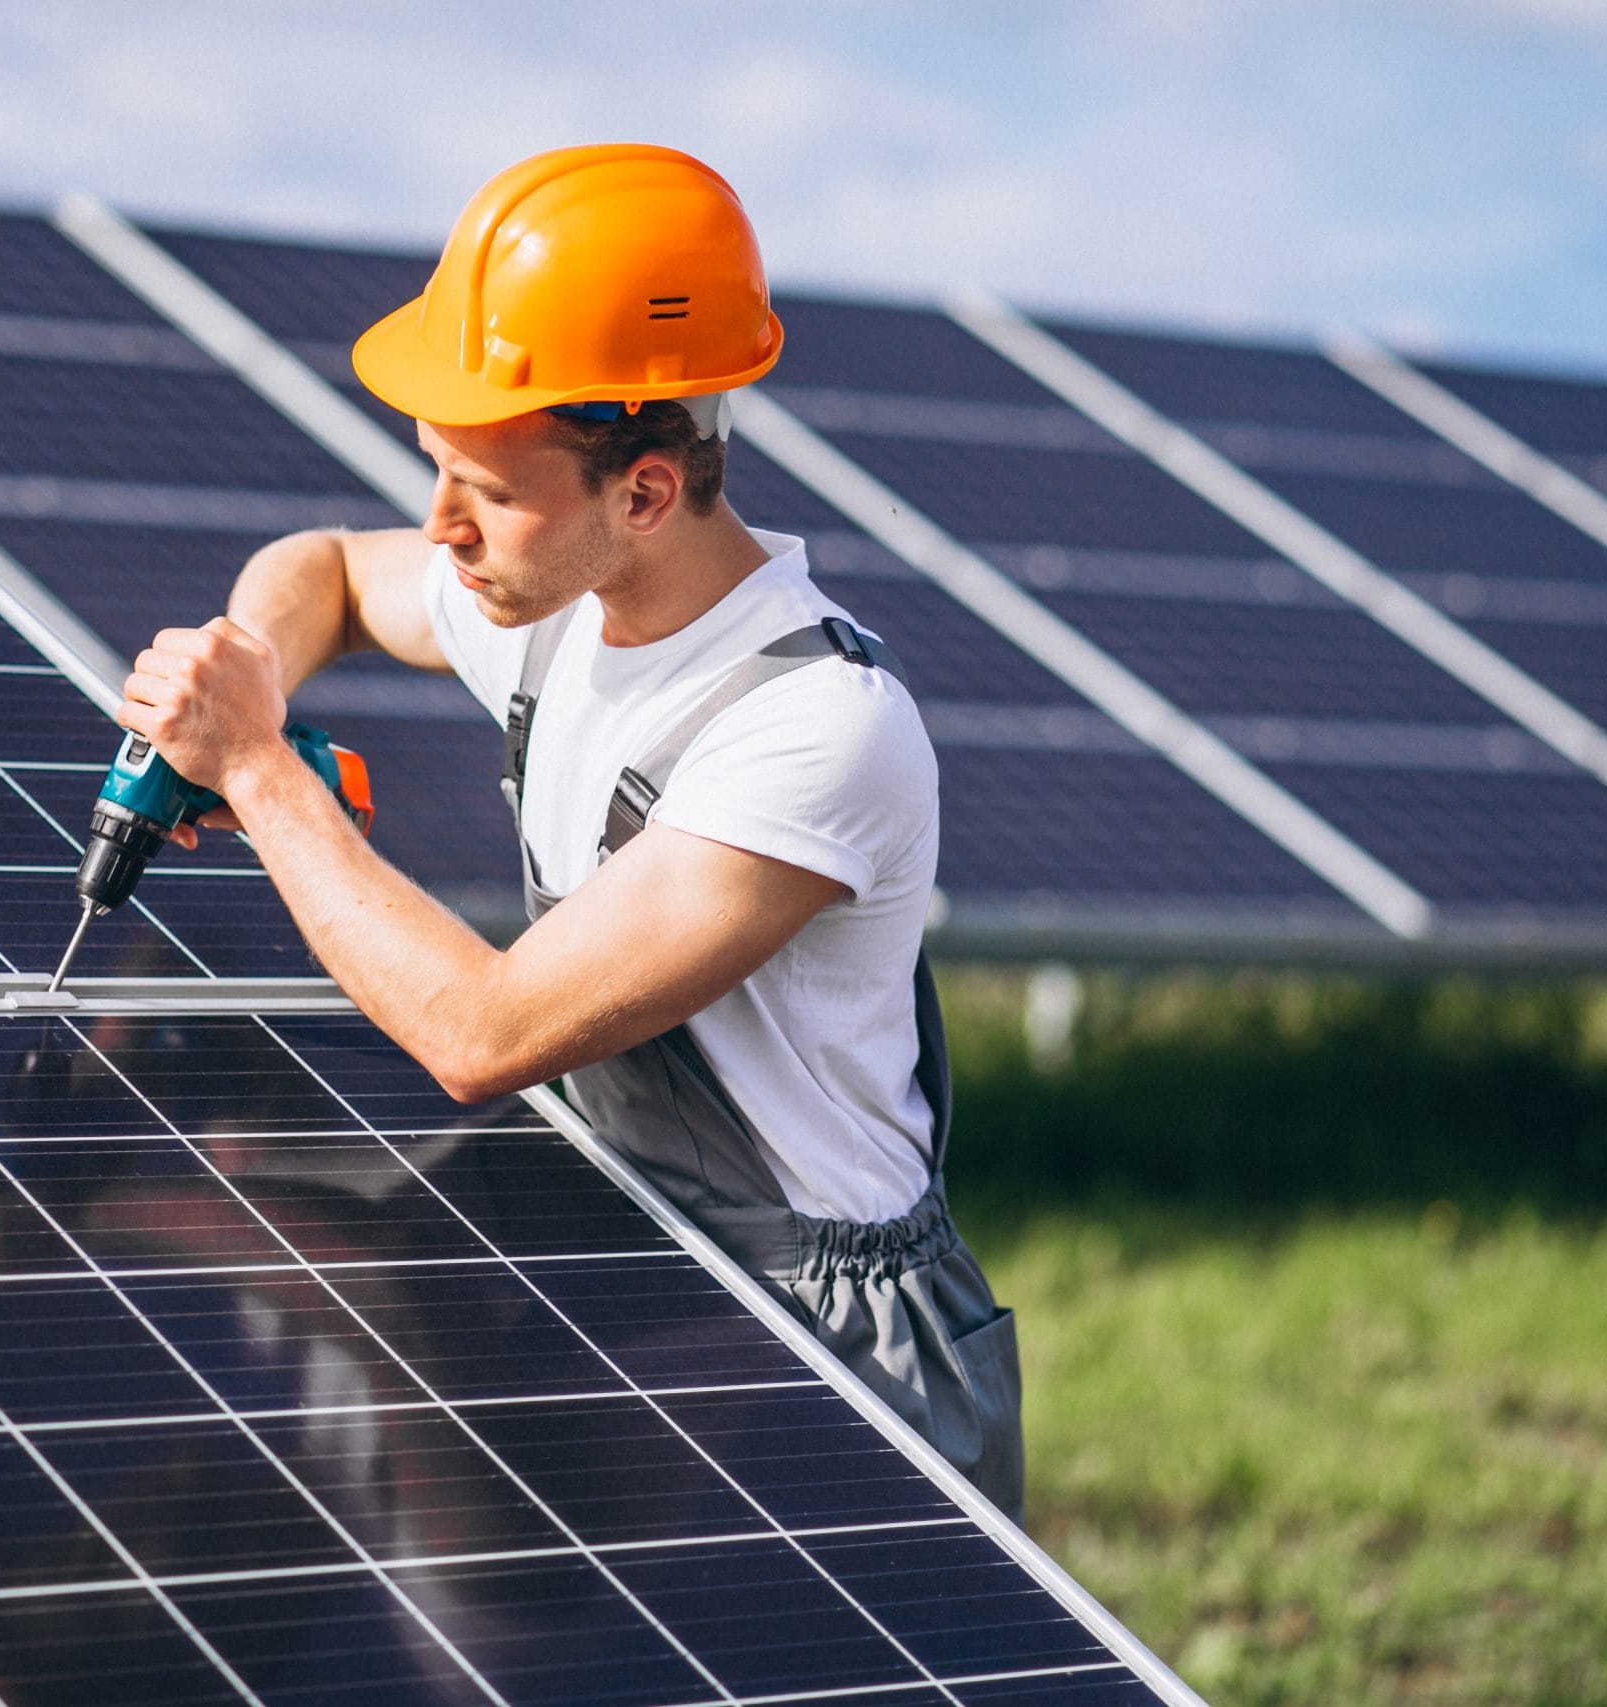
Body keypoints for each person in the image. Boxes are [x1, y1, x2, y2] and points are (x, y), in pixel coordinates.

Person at [117, 142, 1023, 1517]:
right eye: (434, 473)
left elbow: (484, 1035)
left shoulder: (812, 726)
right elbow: (322, 570)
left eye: (481, 492)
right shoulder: (553, 605)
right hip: (631, 1232)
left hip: (821, 1329)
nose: (441, 532)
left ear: (645, 491)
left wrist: (257, 765)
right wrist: (242, 664)